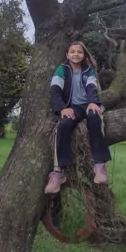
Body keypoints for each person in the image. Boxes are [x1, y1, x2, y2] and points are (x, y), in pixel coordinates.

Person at [45, 41, 112, 194]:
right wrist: (62, 108)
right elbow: (55, 90)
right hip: (72, 107)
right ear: (67, 55)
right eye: (73, 52)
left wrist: (93, 103)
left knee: (95, 117)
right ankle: (57, 172)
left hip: (89, 104)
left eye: (79, 52)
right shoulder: (62, 70)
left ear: (83, 55)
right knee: (62, 126)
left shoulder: (89, 71)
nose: (76, 54)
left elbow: (91, 88)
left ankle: (100, 166)